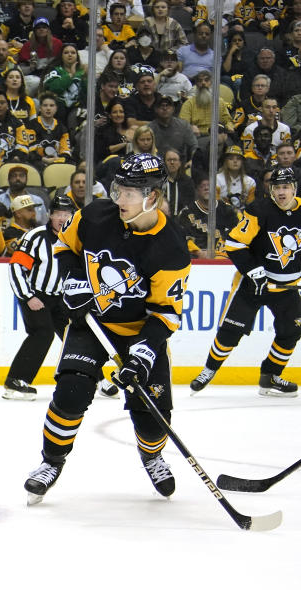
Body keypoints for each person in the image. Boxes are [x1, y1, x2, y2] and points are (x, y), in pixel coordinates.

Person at [23, 153, 191, 504]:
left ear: (153, 197)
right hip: (93, 323)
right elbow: (65, 246)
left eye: (131, 193)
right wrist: (73, 281)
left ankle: (152, 456)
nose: (121, 199)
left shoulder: (172, 246)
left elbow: (165, 313)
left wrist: (142, 356)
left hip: (142, 330)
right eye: (119, 189)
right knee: (71, 391)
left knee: (152, 416)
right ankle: (50, 462)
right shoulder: (96, 215)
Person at [189, 167, 301, 398]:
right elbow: (234, 244)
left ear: (294, 189)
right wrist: (254, 271)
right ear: (270, 189)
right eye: (277, 187)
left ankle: (270, 376)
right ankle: (209, 370)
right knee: (232, 329)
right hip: (255, 284)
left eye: (286, 187)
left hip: (287, 288)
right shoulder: (258, 210)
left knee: (291, 331)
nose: (281, 192)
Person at [3, 195, 77, 400]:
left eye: (67, 214)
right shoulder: (35, 237)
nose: (62, 218)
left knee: (76, 336)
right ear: (50, 215)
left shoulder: (76, 238)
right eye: (58, 214)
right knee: (43, 333)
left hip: (61, 298)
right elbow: (16, 267)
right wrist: (27, 297)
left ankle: (95, 379)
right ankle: (16, 380)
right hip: (36, 295)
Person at [175, 174, 239, 259]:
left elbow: (237, 235)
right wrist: (198, 252)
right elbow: (182, 237)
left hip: (224, 256)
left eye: (209, 185)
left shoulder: (227, 210)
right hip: (196, 258)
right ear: (197, 190)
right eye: (202, 186)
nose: (206, 188)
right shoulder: (187, 213)